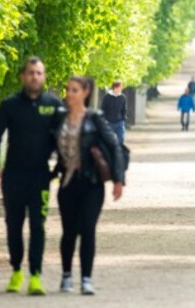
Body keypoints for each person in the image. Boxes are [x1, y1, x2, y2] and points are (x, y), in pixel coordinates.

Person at [0, 57, 62, 296]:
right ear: (23, 76)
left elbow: (64, 138)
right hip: (13, 176)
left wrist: (60, 168)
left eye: (39, 73)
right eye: (30, 73)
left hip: (40, 176)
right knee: (13, 224)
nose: (34, 77)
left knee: (38, 226)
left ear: (44, 76)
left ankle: (36, 276)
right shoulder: (10, 105)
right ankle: (17, 270)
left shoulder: (53, 104)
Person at [52, 76, 125, 296]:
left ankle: (86, 279)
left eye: (74, 90)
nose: (69, 94)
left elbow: (115, 147)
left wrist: (118, 180)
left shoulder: (95, 119)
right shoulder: (59, 119)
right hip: (67, 183)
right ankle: (66, 276)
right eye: (68, 90)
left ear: (85, 92)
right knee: (69, 231)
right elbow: (46, 146)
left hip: (92, 183)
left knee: (88, 230)